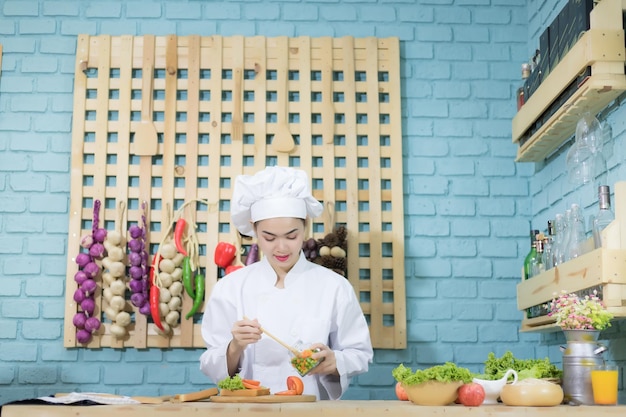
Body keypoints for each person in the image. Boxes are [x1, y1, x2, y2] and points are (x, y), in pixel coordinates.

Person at [199, 165, 373, 400]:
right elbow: (211, 365)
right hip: (248, 412)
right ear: (254, 229)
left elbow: (360, 354)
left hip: (311, 411)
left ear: (305, 227)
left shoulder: (334, 287)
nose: (281, 247)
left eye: (292, 236)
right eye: (269, 238)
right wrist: (235, 347)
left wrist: (335, 361)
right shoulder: (230, 288)